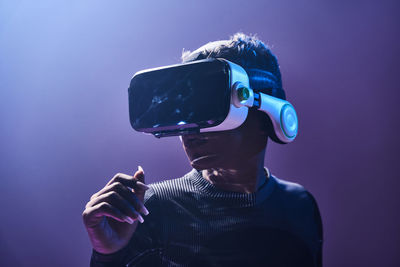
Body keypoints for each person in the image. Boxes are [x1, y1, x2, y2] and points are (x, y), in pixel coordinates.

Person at [82, 33, 323, 267]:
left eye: (207, 109)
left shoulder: (300, 205)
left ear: (267, 112)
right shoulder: (152, 208)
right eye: (184, 113)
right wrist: (108, 255)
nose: (190, 133)